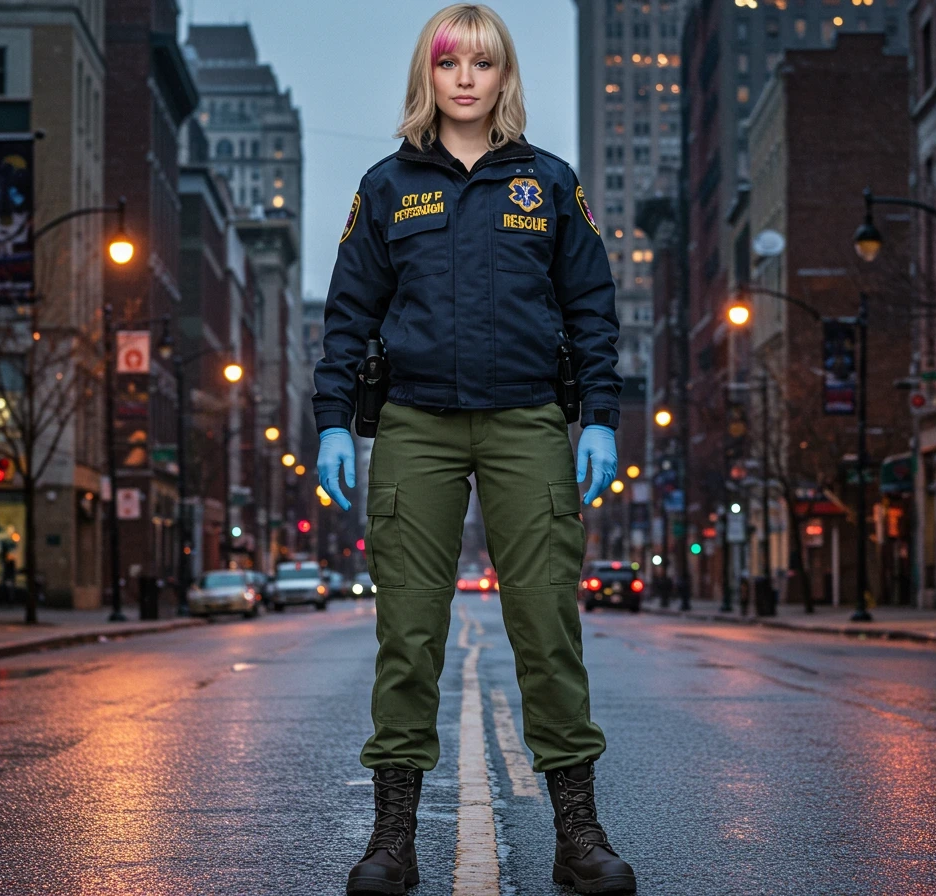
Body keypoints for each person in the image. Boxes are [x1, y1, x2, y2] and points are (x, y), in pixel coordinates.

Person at [314, 5, 634, 894]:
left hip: (528, 421)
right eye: (450, 61)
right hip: (413, 424)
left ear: (503, 77)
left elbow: (592, 311)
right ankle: (393, 841)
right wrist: (333, 420)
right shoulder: (386, 188)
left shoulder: (549, 184)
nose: (465, 77)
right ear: (429, 73)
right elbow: (348, 317)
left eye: (482, 63)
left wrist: (599, 415)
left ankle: (579, 836)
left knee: (546, 627)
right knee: (408, 635)